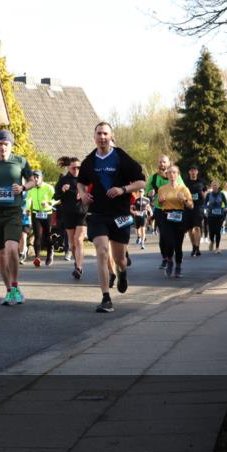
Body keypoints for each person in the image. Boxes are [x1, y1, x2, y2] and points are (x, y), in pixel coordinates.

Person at [77, 122, 146, 313]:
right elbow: (81, 183)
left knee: (119, 258)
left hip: (120, 214)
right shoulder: (89, 161)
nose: (102, 137)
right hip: (97, 214)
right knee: (101, 250)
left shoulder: (121, 157)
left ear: (111, 135)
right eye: (99, 133)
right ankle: (106, 297)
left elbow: (141, 182)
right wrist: (83, 194)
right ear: (94, 136)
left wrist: (123, 189)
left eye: (105, 133)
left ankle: (122, 272)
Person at [0, 130, 35, 305]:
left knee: (12, 248)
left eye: (6, 144)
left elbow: (32, 181)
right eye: (0, 143)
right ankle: (9, 291)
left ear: (11, 146)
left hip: (13, 211)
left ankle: (14, 285)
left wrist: (22, 188)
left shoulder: (20, 161)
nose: (3, 147)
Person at [155, 165, 194, 277]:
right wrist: (160, 201)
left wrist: (184, 199)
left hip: (179, 216)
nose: (172, 175)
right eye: (170, 173)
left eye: (174, 172)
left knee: (178, 244)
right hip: (166, 216)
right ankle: (170, 261)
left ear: (178, 175)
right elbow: (159, 203)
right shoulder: (162, 189)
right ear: (167, 175)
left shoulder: (183, 189)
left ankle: (178, 266)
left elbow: (191, 205)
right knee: (168, 242)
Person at [55, 157, 87, 278]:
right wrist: (62, 190)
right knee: (72, 243)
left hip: (82, 213)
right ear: (69, 167)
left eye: (78, 167)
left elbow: (92, 192)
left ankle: (79, 267)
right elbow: (55, 196)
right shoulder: (63, 179)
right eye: (74, 167)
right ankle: (76, 261)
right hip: (68, 214)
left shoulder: (84, 179)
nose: (76, 170)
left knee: (78, 240)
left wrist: (84, 194)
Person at [146, 154, 174, 269]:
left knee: (171, 234)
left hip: (173, 209)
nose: (162, 164)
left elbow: (183, 188)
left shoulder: (175, 175)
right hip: (160, 209)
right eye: (160, 162)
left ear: (169, 163)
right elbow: (147, 191)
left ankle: (171, 256)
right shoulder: (153, 178)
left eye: (164, 162)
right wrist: (150, 192)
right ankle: (165, 258)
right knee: (163, 235)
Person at [26, 169, 55, 266]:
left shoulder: (48, 187)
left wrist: (48, 203)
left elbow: (56, 198)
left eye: (37, 177)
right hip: (36, 214)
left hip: (47, 213)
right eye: (34, 177)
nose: (35, 179)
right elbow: (28, 199)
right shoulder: (31, 188)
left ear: (41, 178)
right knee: (37, 235)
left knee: (47, 235)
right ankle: (37, 257)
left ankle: (50, 253)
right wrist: (27, 209)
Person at [185, 165, 207, 257]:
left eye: (195, 170)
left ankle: (197, 248)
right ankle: (193, 246)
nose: (193, 172)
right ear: (189, 172)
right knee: (190, 229)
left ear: (197, 172)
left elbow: (205, 192)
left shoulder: (202, 181)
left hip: (199, 207)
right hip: (188, 207)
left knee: (197, 227)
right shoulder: (185, 182)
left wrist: (204, 195)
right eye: (191, 170)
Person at [204, 180, 227, 253]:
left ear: (218, 186)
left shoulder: (222, 194)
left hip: (219, 215)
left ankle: (217, 247)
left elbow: (226, 204)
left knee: (218, 231)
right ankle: (212, 241)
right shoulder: (209, 195)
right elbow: (205, 204)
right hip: (211, 215)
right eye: (213, 185)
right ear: (211, 186)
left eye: (216, 185)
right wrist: (205, 210)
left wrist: (225, 208)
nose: (215, 186)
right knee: (212, 232)